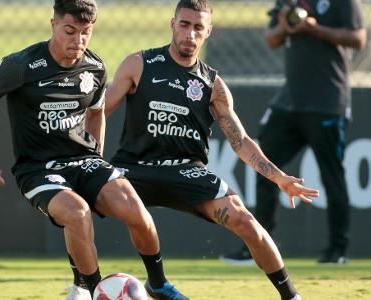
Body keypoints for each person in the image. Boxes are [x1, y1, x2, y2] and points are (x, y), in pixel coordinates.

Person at [85, 0, 318, 299]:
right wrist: (79, 158)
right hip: (134, 168)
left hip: (187, 171)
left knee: (246, 221)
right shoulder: (139, 64)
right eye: (184, 24)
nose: (189, 34)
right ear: (172, 24)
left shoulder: (213, 85)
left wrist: (280, 178)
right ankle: (119, 285)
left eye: (198, 27)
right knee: (77, 207)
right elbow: (98, 113)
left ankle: (291, 296)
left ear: (208, 32)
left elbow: (241, 141)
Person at [0, 1, 187, 300]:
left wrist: (97, 161)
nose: (77, 40)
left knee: (133, 205)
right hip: (38, 169)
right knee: (77, 213)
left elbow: (96, 112)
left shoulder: (95, 67)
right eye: (70, 31)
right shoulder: (21, 65)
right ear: (53, 24)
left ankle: (157, 283)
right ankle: (94, 292)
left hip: (84, 161)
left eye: (85, 32)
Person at [221, 0, 366, 265]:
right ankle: (260, 245)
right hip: (290, 102)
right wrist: (286, 25)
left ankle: (337, 249)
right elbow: (272, 39)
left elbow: (358, 38)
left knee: (332, 176)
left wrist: (314, 28)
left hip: (328, 102)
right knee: (263, 164)